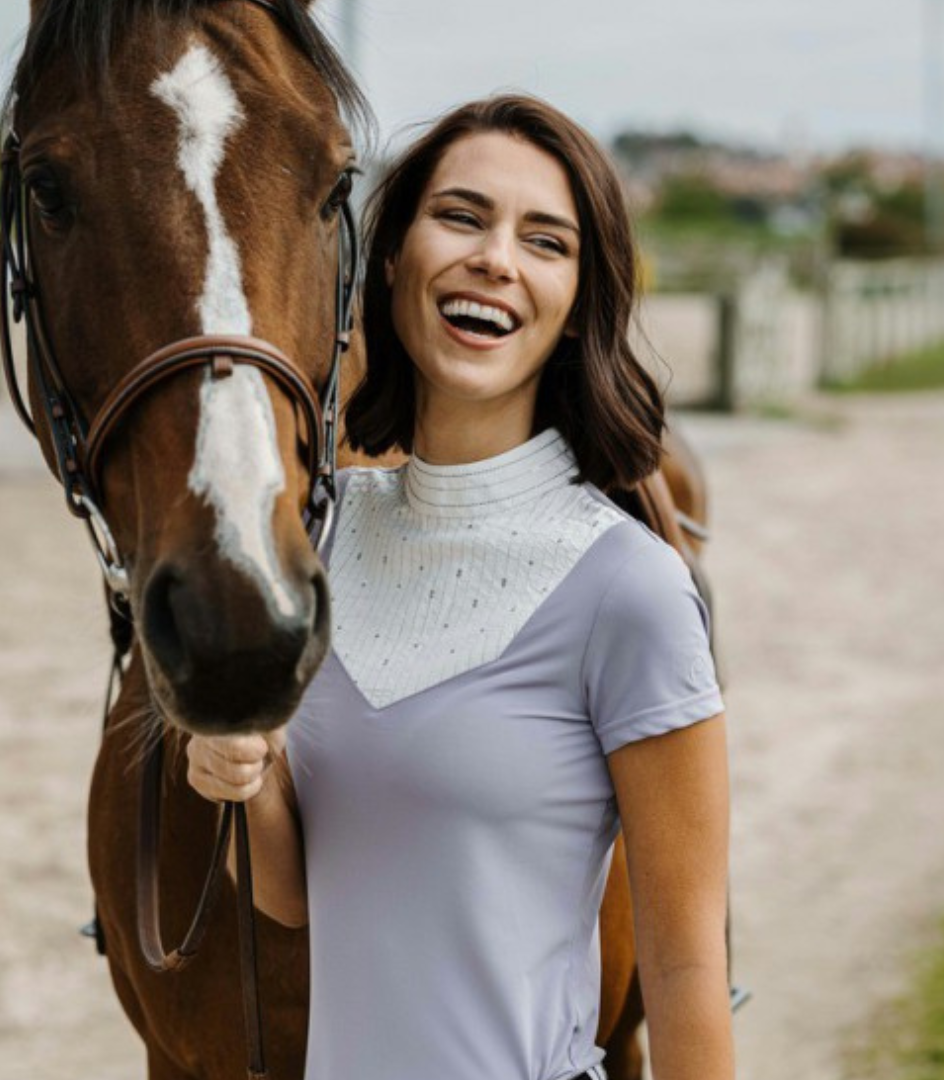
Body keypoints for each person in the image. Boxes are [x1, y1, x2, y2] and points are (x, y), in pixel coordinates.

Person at [187, 94, 733, 1080]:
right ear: (392, 255)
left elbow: (688, 964)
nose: (496, 258)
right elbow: (298, 895)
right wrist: (247, 778)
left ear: (575, 306)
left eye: (546, 240)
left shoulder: (631, 590)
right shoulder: (316, 539)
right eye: (463, 216)